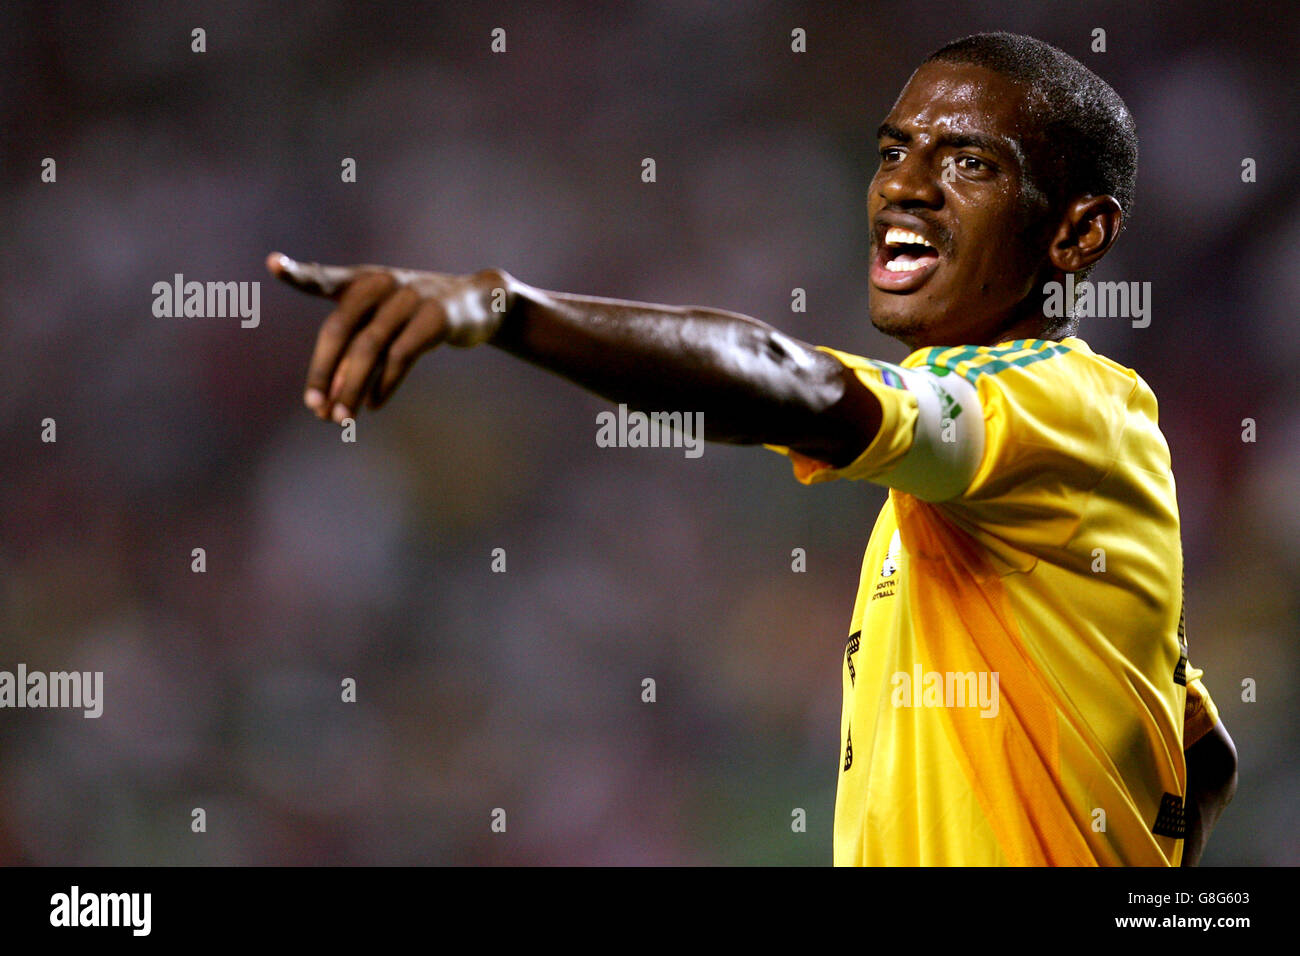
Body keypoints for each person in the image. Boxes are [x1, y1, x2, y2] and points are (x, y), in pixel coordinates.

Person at [266, 31, 1236, 866]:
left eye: (968, 163)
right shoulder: (995, 492)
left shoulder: (1064, 405)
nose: (905, 185)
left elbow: (796, 386)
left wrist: (508, 309)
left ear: (1077, 232)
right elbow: (1197, 758)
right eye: (894, 150)